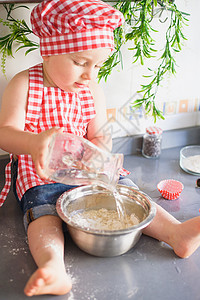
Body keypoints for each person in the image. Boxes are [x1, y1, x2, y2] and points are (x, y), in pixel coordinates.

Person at [0, 0, 200, 297]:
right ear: (50, 50)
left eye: (98, 65)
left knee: (129, 192)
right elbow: (5, 134)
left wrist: (99, 159)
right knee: (42, 214)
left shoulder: (91, 88)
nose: (90, 75)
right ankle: (53, 267)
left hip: (86, 167)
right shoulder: (25, 84)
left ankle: (175, 232)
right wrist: (33, 142)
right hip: (40, 171)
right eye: (80, 62)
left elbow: (99, 135)